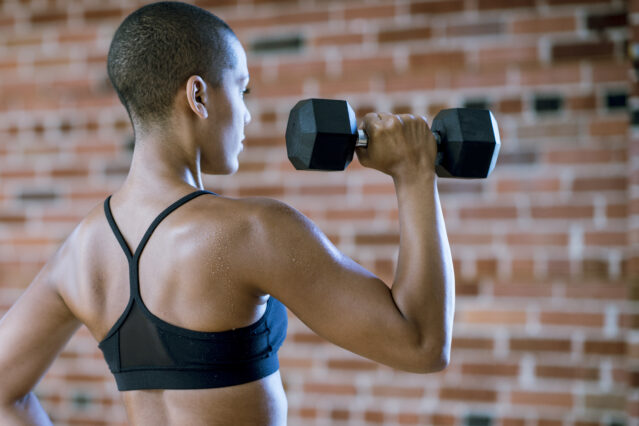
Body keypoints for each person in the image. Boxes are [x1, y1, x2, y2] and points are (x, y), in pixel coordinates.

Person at [0, 2, 455, 425]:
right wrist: (414, 175)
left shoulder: (80, 252)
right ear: (198, 96)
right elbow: (421, 343)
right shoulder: (253, 231)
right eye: (242, 89)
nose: (248, 116)